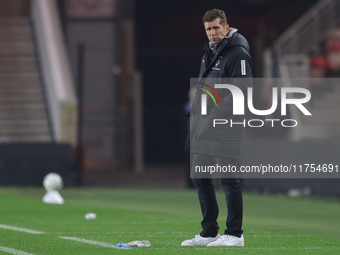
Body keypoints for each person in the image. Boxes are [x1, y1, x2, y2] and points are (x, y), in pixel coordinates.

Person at [182, 9, 253, 247]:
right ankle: (209, 232)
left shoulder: (238, 54)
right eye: (208, 29)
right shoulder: (210, 52)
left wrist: (214, 116)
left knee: (228, 180)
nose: (212, 33)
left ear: (226, 27)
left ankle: (235, 234)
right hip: (206, 123)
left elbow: (241, 91)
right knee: (200, 177)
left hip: (226, 124)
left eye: (215, 28)